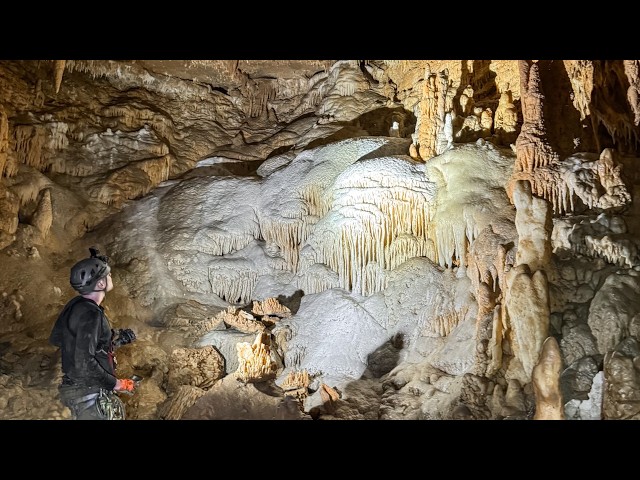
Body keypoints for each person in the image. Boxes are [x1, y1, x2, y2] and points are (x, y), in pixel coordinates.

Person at [49, 246, 138, 420]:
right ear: (100, 284)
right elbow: (84, 361)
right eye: (108, 274)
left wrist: (113, 340)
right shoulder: (91, 315)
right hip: (87, 394)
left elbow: (61, 338)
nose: (111, 277)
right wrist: (116, 384)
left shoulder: (76, 305)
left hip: (76, 389)